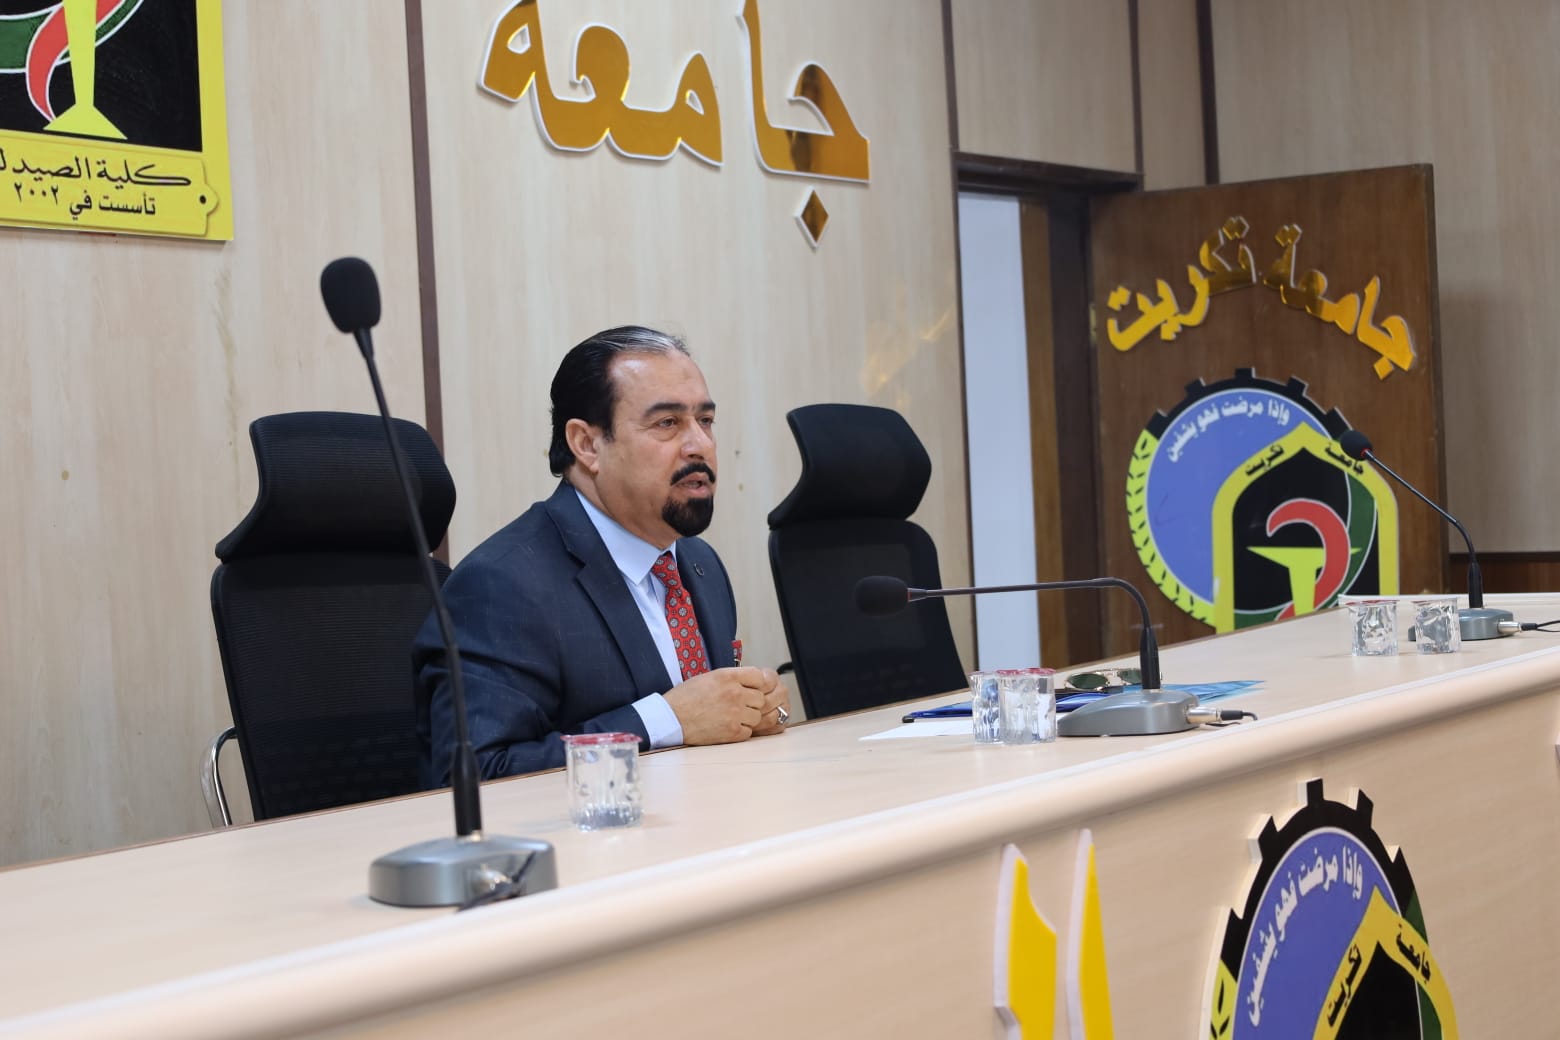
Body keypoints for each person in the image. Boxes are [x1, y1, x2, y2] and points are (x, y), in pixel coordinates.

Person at [415, 326, 791, 785]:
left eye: (705, 420)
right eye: (667, 423)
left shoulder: (700, 564)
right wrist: (666, 720)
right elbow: (474, 775)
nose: (701, 445)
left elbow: (707, 727)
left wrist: (755, 711)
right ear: (587, 445)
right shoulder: (503, 584)